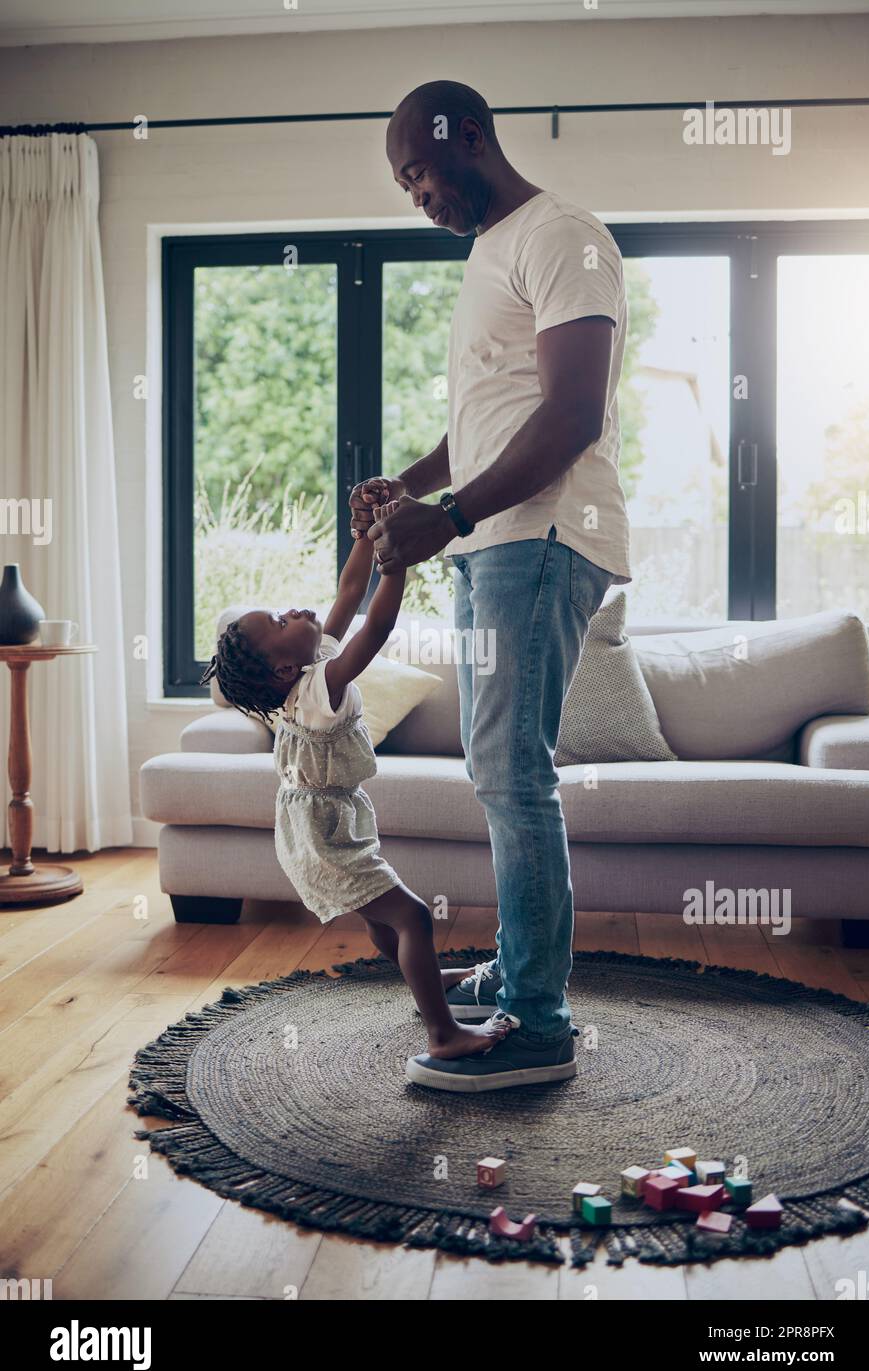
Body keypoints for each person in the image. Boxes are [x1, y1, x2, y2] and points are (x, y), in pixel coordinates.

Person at [350, 79, 632, 1092]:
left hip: (536, 535)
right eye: (402, 186)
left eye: (418, 171)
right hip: (494, 539)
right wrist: (418, 485)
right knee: (497, 773)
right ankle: (517, 974)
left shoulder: (560, 233)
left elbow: (571, 414)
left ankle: (538, 1025)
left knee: (512, 777)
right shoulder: (490, 251)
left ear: (465, 135)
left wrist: (454, 513)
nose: (414, 196)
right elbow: (494, 412)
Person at [198, 496, 509, 1062]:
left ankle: (429, 984)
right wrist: (397, 564)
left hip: (311, 824)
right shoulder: (321, 689)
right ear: (282, 670)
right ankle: (442, 1033)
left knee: (380, 917)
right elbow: (378, 623)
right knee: (412, 915)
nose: (292, 611)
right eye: (279, 621)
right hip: (324, 832)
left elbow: (346, 593)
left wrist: (367, 538)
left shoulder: (310, 666)